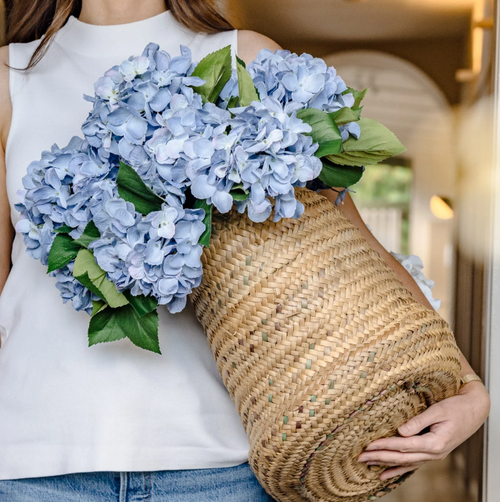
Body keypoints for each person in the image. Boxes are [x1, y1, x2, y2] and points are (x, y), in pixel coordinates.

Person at [0, 0, 490, 500]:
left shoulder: (245, 58)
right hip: (33, 463)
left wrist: (468, 385)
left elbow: (355, 246)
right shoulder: (8, 79)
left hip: (216, 470)